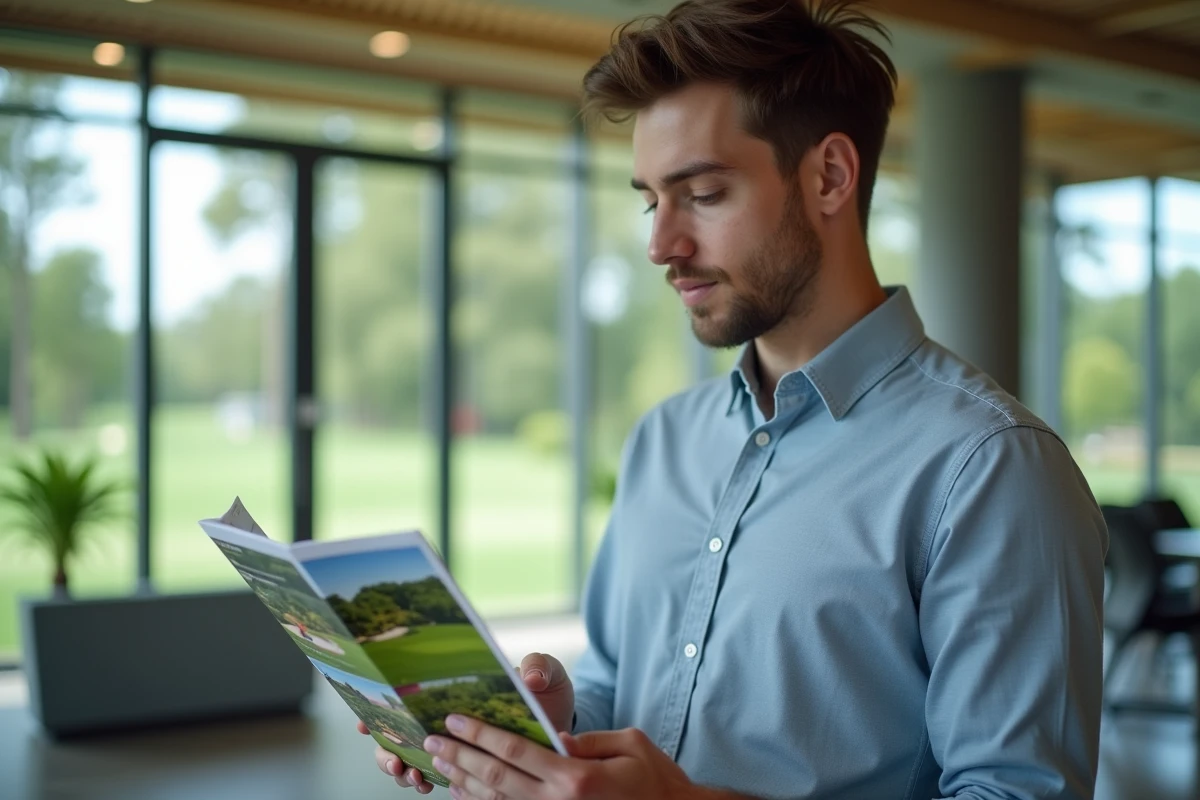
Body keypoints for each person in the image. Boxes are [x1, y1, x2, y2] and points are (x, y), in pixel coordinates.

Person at [359, 0, 1109, 797]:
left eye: (704, 194)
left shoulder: (991, 470)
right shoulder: (662, 440)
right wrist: (544, 726)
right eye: (652, 200)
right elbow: (619, 690)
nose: (661, 245)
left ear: (829, 176)